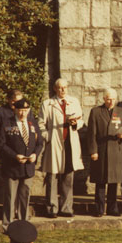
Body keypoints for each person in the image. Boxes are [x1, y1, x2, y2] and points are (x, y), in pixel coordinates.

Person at [38, 78, 85, 218]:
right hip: (54, 143)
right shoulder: (47, 104)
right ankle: (52, 208)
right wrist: (48, 137)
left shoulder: (74, 102)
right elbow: (41, 124)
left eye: (65, 87)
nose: (63, 90)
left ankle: (66, 207)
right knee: (52, 176)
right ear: (55, 89)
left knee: (68, 177)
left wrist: (76, 123)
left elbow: (81, 120)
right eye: (60, 88)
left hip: (70, 142)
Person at [0, 98, 43, 231]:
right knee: (10, 197)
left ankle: (24, 225)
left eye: (25, 110)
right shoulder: (7, 123)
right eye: (20, 110)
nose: (23, 113)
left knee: (25, 197)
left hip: (28, 167)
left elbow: (40, 143)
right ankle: (8, 225)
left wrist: (35, 154)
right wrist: (15, 156)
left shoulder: (32, 123)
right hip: (12, 167)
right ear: (15, 110)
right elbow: (2, 144)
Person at [87, 88, 122, 217]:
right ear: (104, 99)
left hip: (116, 149)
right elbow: (91, 134)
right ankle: (99, 208)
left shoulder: (121, 112)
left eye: (113, 99)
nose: (111, 102)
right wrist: (93, 151)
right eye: (108, 99)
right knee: (100, 181)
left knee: (113, 181)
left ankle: (112, 207)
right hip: (101, 149)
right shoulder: (96, 112)